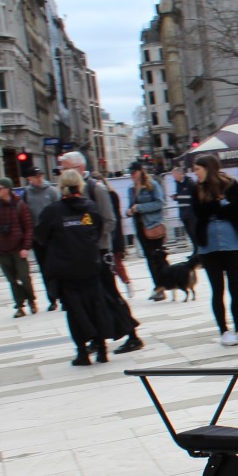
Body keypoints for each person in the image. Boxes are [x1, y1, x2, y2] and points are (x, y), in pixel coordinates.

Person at [59, 151, 142, 353]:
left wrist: (94, 242)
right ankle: (98, 339)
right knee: (93, 299)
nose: (61, 173)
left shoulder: (96, 189)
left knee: (110, 294)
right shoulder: (68, 191)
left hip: (99, 252)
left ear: (78, 168)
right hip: (83, 256)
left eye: (65, 168)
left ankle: (132, 335)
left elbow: (110, 220)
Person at [190, 153, 238, 346]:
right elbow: (198, 212)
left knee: (235, 287)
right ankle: (224, 331)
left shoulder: (230, 184)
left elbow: (236, 209)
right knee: (217, 288)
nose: (196, 174)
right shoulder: (197, 189)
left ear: (208, 169)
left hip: (232, 241)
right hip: (209, 244)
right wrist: (218, 204)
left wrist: (214, 207)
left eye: (198, 170)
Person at [0, 178, 37, 317]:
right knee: (12, 280)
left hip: (18, 248)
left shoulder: (20, 205)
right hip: (1, 250)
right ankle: (19, 305)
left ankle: (31, 299)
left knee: (24, 277)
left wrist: (26, 246)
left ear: (7, 189)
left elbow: (28, 227)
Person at [126, 162, 168, 301]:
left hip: (153, 225)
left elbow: (159, 202)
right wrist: (129, 211)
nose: (132, 176)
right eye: (130, 173)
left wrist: (139, 208)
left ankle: (164, 285)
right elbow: (130, 206)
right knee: (150, 259)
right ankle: (158, 287)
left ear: (140, 171)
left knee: (158, 257)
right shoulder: (131, 189)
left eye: (134, 173)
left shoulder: (152, 185)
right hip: (140, 227)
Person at [21, 167, 61, 311]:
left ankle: (62, 295)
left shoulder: (51, 191)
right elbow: (25, 215)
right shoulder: (27, 193)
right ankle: (52, 298)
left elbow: (60, 209)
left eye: (40, 175)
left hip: (54, 236)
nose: (39, 178)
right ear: (29, 179)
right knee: (45, 269)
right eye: (35, 176)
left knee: (58, 267)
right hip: (38, 238)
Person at [170, 165, 197, 241]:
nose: (174, 177)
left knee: (194, 232)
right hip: (183, 213)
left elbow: (189, 195)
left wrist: (177, 197)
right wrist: (177, 197)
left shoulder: (189, 182)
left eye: (174, 175)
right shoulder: (177, 183)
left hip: (191, 213)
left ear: (180, 174)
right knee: (189, 233)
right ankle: (195, 250)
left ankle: (198, 250)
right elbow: (181, 195)